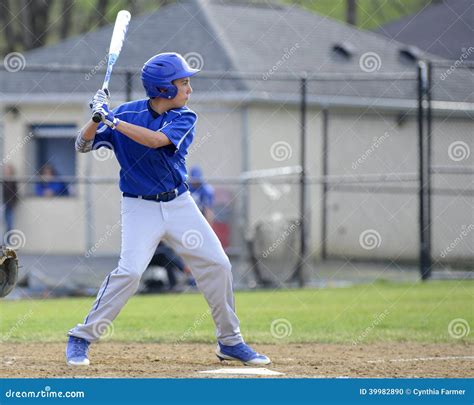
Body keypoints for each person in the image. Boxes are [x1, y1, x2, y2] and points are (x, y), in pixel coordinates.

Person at [66, 52, 270, 367]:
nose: (189, 89)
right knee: (131, 272)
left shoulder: (184, 117)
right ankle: (81, 337)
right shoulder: (125, 113)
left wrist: (113, 121)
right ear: (163, 89)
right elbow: (81, 145)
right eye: (183, 82)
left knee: (218, 265)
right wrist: (94, 119)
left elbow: (156, 141)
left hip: (179, 205)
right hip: (139, 207)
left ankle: (230, 342)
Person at [2, 165, 18, 233]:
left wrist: (12, 202)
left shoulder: (13, 182)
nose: (7, 172)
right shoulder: (3, 181)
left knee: (9, 223)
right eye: (6, 170)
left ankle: (7, 240)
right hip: (2, 205)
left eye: (8, 170)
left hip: (9, 205)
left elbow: (15, 194)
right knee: (3, 223)